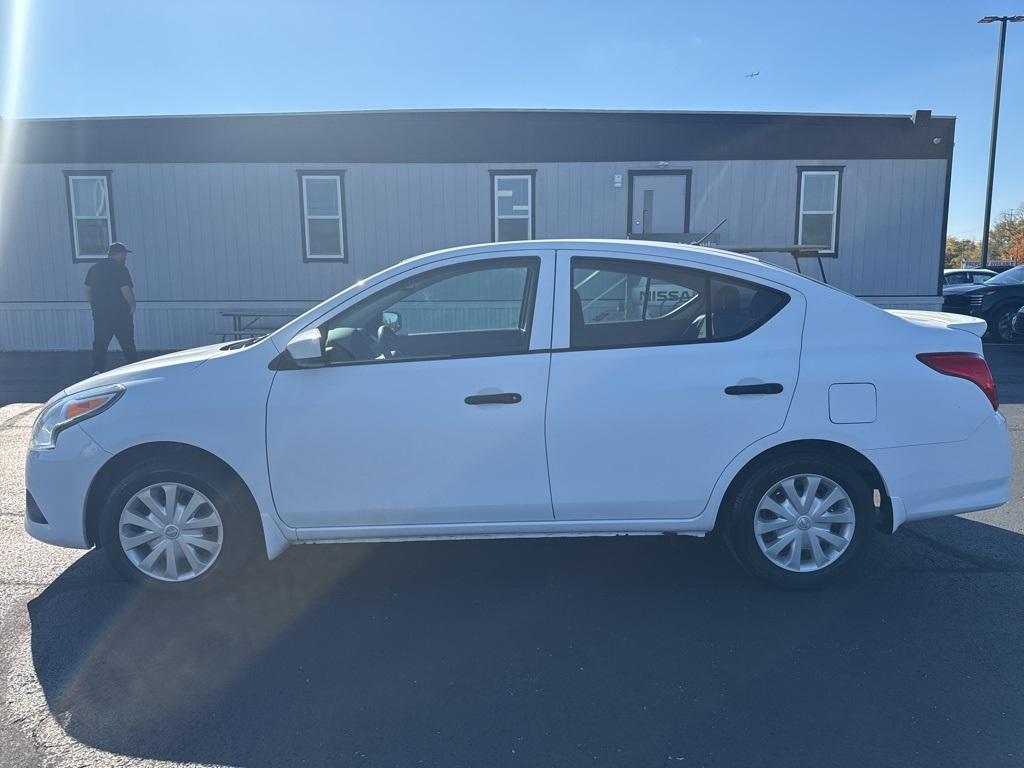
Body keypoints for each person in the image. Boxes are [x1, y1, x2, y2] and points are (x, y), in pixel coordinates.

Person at [85, 242, 138, 373]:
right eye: (124, 254)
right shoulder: (121, 269)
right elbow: (125, 289)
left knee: (100, 344)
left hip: (101, 314)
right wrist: (132, 305)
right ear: (120, 254)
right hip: (120, 314)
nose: (125, 257)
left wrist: (93, 305)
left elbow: (87, 289)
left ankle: (97, 370)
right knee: (127, 344)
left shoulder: (94, 268)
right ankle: (135, 369)